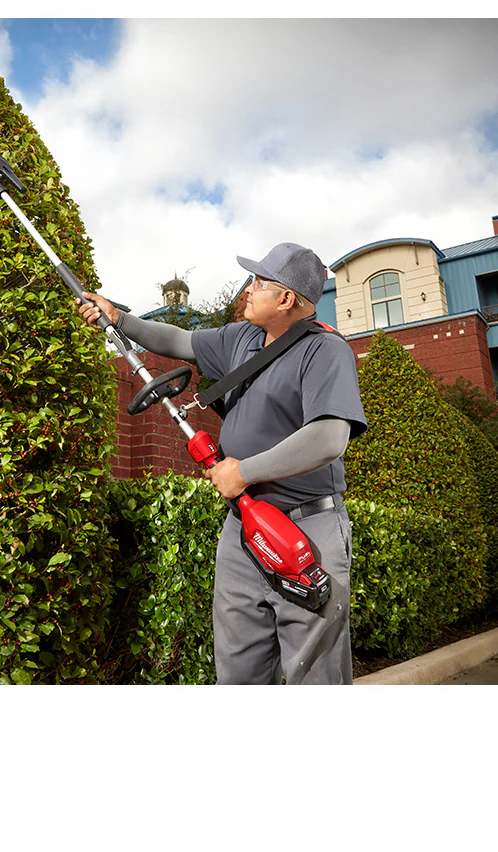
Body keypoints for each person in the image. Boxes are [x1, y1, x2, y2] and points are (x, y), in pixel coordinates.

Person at [77, 242, 367, 685]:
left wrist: (244, 471)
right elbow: (178, 340)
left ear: (286, 299)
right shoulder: (242, 338)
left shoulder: (325, 351)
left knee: (315, 673)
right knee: (238, 668)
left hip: (307, 529)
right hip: (243, 529)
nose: (247, 290)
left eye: (259, 283)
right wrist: (119, 318)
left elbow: (329, 437)